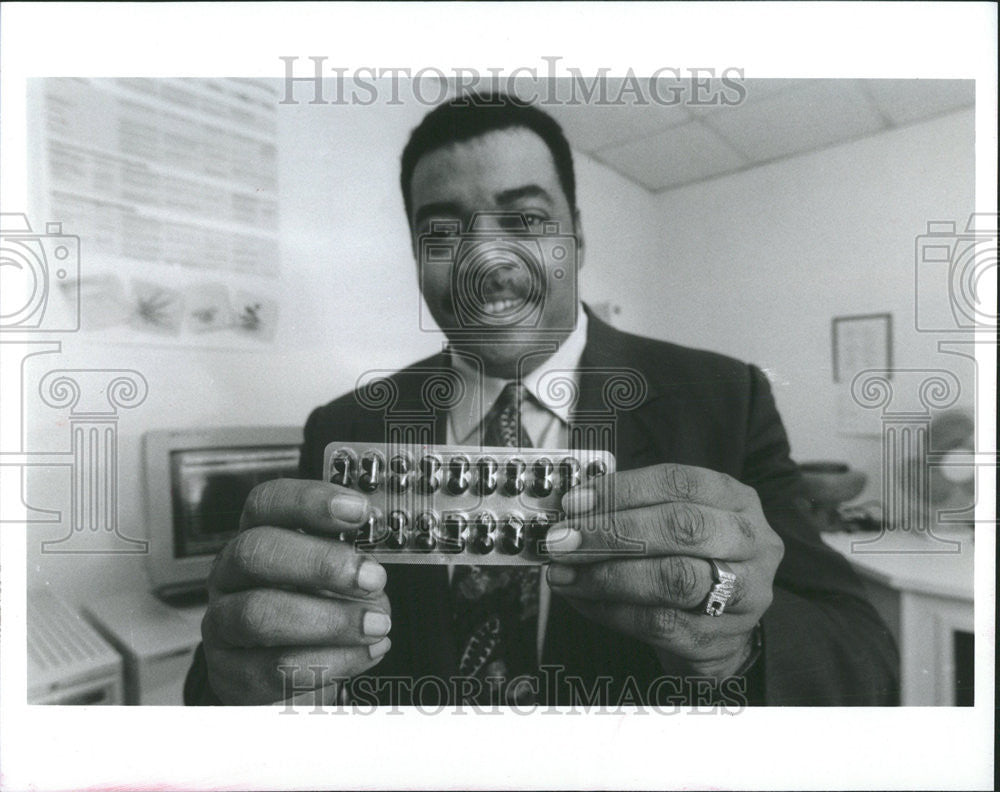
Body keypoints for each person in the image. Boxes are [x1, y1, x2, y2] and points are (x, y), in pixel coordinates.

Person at [185, 93, 899, 707]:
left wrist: (738, 645)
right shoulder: (343, 426)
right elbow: (262, 666)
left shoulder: (723, 399)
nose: (485, 261)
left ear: (578, 237)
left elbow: (865, 660)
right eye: (442, 231)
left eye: (524, 220)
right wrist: (231, 678)